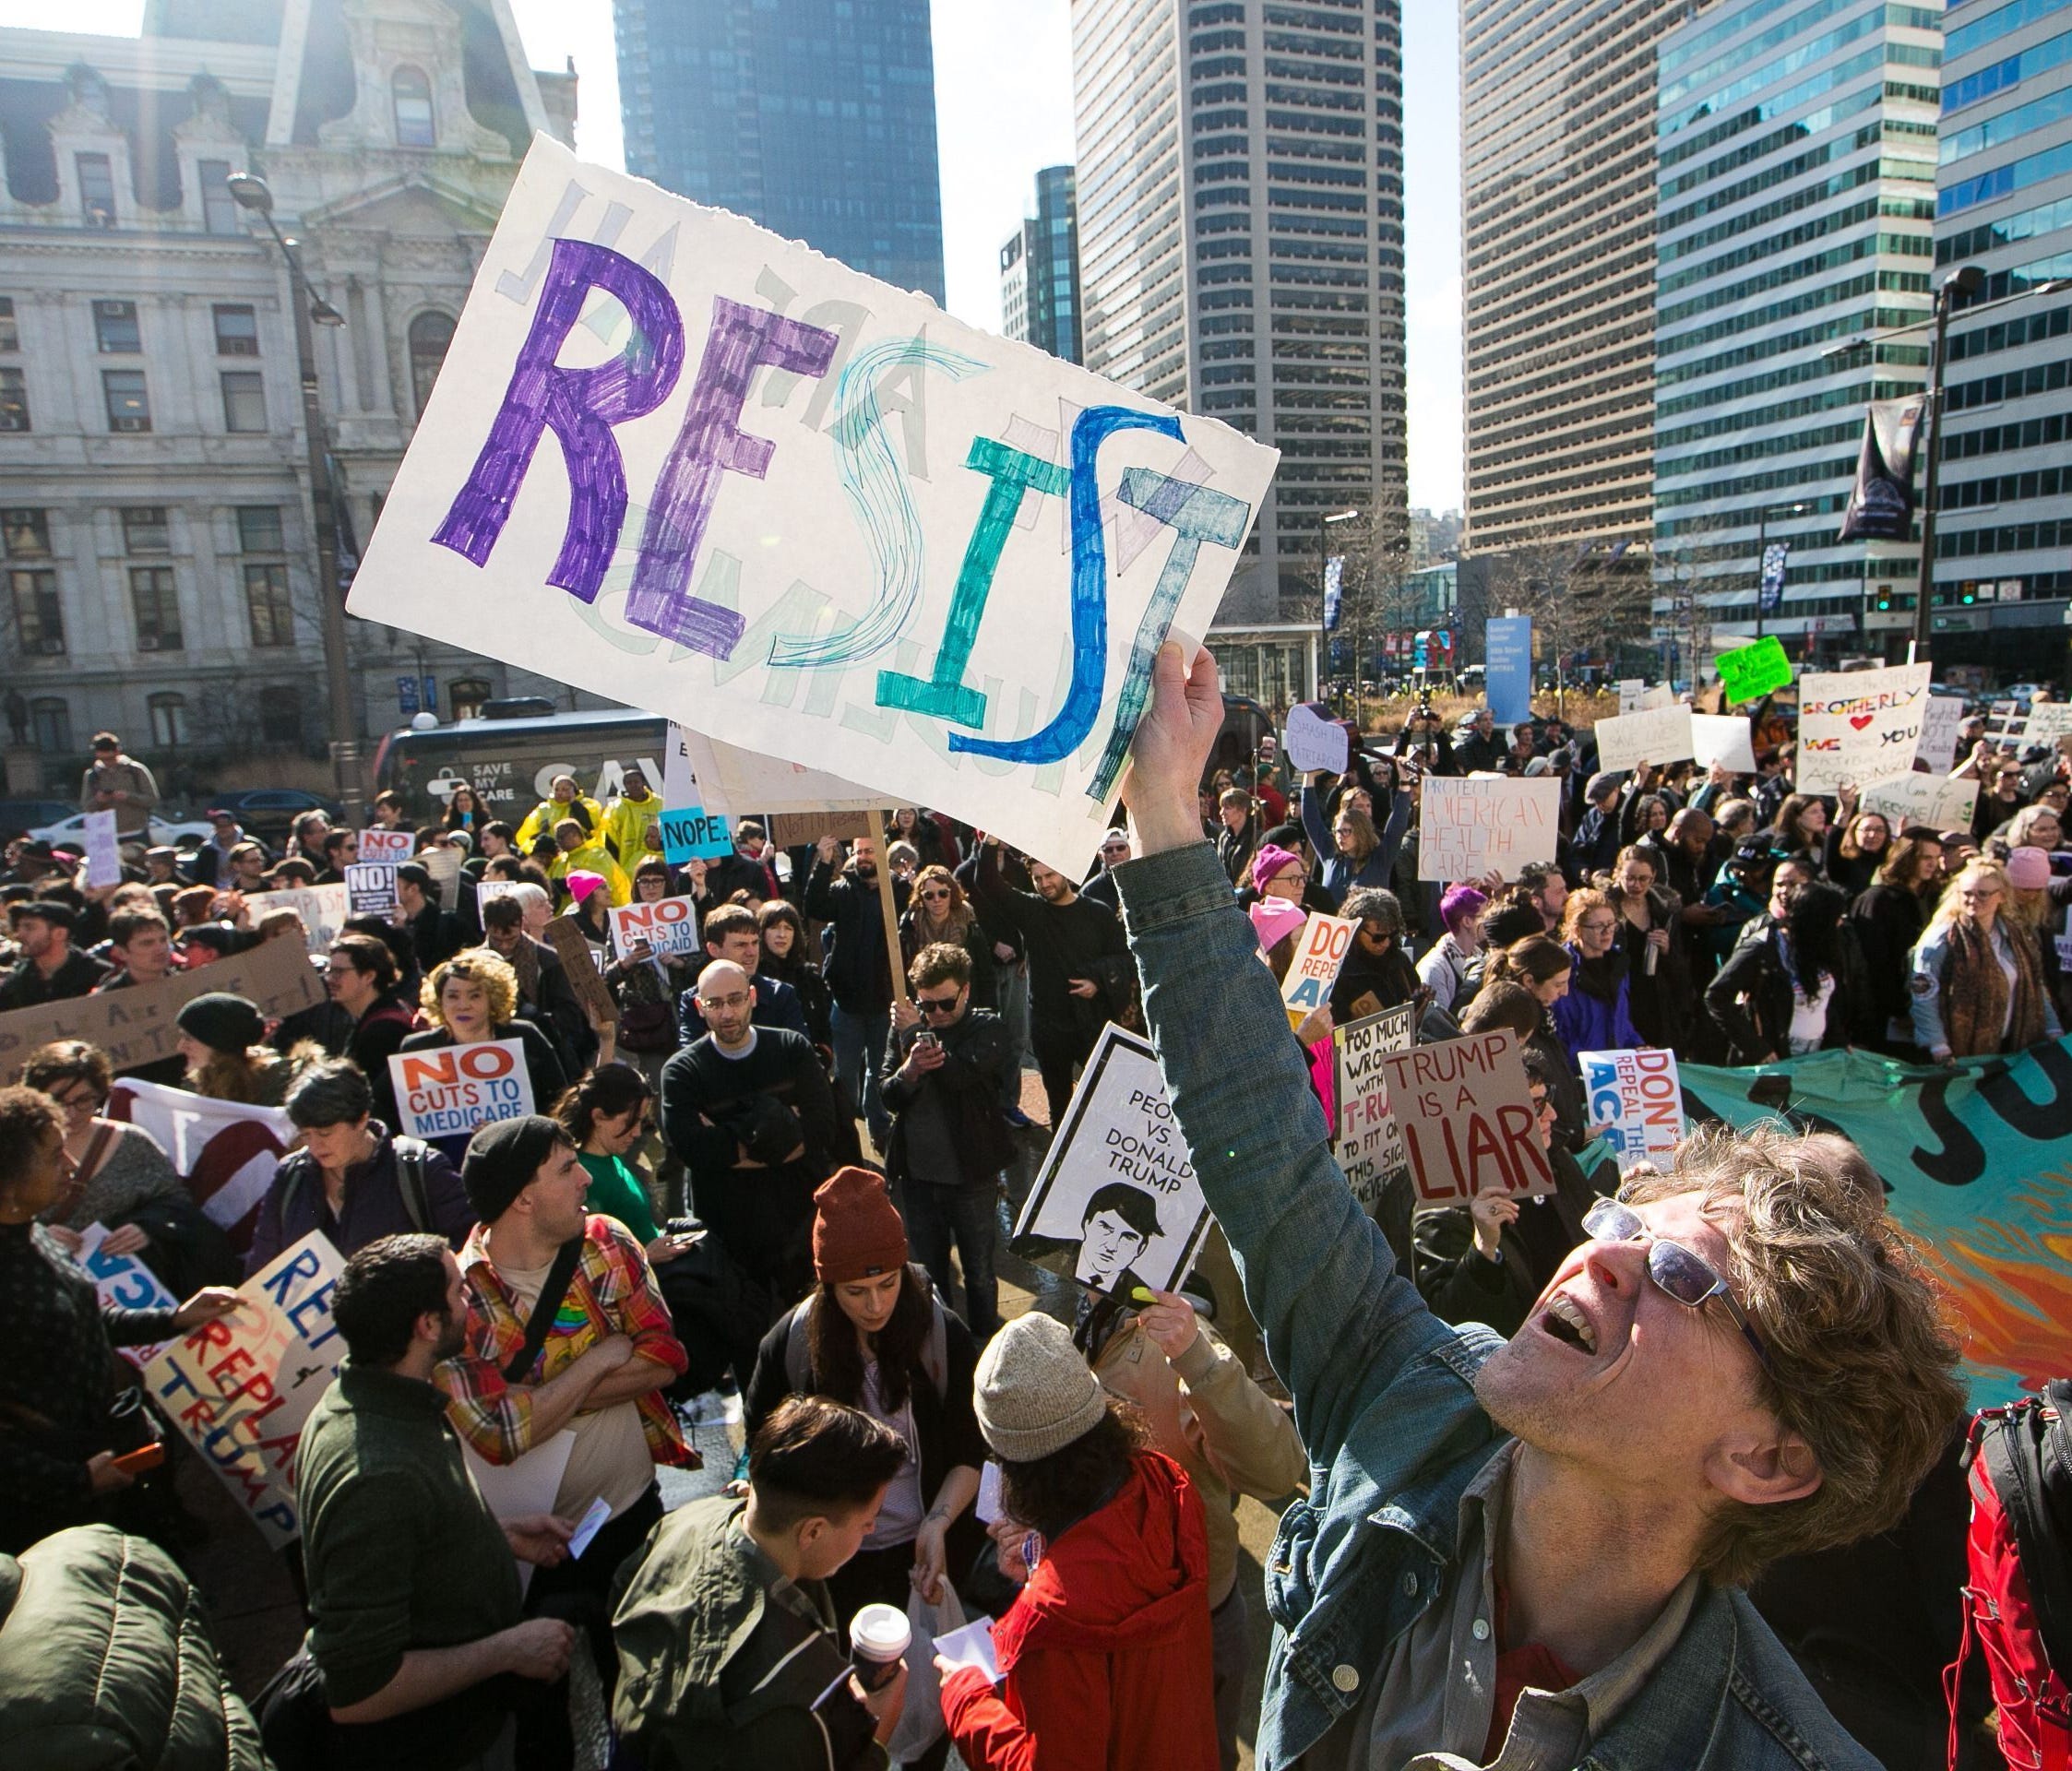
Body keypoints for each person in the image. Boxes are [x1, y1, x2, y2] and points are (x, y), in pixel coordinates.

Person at [1108, 638, 1969, 1770]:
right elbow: (1261, 1142)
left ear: (1764, 1462)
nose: (1598, 1256)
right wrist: (1165, 817)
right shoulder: (1409, 1406)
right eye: (1623, 1225)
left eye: (1679, 1277)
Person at [439, 1115, 694, 1769]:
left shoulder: (608, 1244)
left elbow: (664, 1360)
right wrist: (597, 1360)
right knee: (539, 1722)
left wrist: (539, 1401)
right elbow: (496, 1437)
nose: (587, 1176)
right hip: (526, 1547)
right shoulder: (457, 1295)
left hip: (629, 1515)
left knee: (644, 1695)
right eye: (565, 1168)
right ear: (522, 1197)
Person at [292, 1234, 579, 1767]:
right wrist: (509, 1650)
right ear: (426, 1325)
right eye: (456, 1292)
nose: (469, 1299)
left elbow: (410, 1538)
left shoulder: (369, 1398)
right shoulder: (376, 1476)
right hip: (444, 1745)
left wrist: (495, 1535)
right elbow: (359, 1692)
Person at [941, 1312, 1218, 1771]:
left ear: (1015, 1471)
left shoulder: (1051, 1616)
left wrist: (964, 1696)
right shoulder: (1167, 1487)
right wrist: (1045, 1563)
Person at [745, 1171, 986, 1661]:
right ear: (827, 1285)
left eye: (888, 1283)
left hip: (929, 1550)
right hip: (835, 1563)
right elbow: (763, 1453)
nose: (875, 1305)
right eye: (856, 1291)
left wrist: (937, 1524)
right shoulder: (789, 1347)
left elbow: (971, 1449)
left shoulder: (942, 1336)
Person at [0, 1085, 241, 1554]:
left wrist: (175, 1317)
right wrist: (75, 1480)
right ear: (7, 1184)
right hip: (52, 1522)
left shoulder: (34, 1234)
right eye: (53, 1158)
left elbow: (86, 1321)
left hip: (108, 1470)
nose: (71, 1167)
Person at [610, 1396, 911, 1770]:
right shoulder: (790, 1701)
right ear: (813, 1531)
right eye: (867, 1521)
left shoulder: (684, 1522)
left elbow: (624, 1586)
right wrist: (878, 1734)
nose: (872, 1529)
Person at [1076, 1281, 1305, 1770]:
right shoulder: (1088, 1324)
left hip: (1195, 1618)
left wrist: (1195, 1358)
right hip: (1118, 1617)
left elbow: (1279, 1468)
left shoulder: (1175, 1340)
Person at [661, 959, 844, 1309]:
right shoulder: (682, 1071)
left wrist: (729, 1141)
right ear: (699, 1007)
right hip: (730, 1231)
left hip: (801, 1221)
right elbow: (694, 1149)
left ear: (753, 997)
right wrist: (785, 1133)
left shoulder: (791, 1049)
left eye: (736, 999)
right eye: (715, 1004)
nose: (727, 1012)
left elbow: (822, 1128)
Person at [1413, 1052, 1614, 1336]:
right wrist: (1483, 1249)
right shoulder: (1446, 1205)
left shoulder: (1557, 1161)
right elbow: (1446, 1321)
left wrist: (1633, 1200)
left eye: (1547, 1100)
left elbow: (1593, 1239)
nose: (1552, 1115)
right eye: (1535, 1106)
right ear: (1491, 1118)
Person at [881, 942, 1016, 1338]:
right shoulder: (906, 1029)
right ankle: (940, 1347)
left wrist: (913, 1031)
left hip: (972, 1176)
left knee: (978, 1272)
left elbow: (958, 1076)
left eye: (945, 1004)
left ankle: (986, 1344)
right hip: (918, 1177)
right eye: (927, 1005)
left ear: (966, 991)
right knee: (929, 1277)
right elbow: (886, 1094)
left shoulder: (987, 1028)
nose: (936, 1014)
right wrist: (907, 1073)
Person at [246, 1058, 472, 1271]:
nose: (314, 1146)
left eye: (325, 1133)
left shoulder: (421, 1169)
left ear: (362, 1119)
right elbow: (263, 1270)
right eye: (305, 1135)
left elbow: (468, 1252)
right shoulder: (291, 1176)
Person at [398, 949, 569, 1160]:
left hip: (521, 1160)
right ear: (439, 1001)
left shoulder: (525, 1037)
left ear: (493, 999)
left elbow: (560, 1101)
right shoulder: (418, 1049)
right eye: (452, 996)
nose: (463, 1005)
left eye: (475, 995)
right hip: (445, 1170)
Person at [806, 832, 911, 1150]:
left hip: (884, 1001)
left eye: (870, 850)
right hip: (847, 1002)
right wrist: (823, 865)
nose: (864, 856)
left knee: (878, 1070)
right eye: (859, 851)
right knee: (846, 1072)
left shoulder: (900, 889)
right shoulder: (843, 889)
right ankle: (845, 1130)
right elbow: (814, 906)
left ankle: (879, 1127)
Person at [1911, 855, 2064, 1062]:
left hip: (2010, 1045)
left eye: (1983, 894)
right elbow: (1923, 996)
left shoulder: (2014, 936)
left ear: (2001, 896)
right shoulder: (1941, 939)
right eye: (1966, 893)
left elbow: (2033, 986)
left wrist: (2053, 1029)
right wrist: (1938, 1046)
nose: (1973, 900)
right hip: (1955, 1053)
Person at [677, 901, 812, 1045]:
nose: (751, 952)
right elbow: (689, 1058)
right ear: (714, 949)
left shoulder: (781, 995)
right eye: (740, 945)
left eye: (755, 943)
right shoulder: (693, 1000)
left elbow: (801, 1055)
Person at [323, 933, 418, 1123]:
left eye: (339, 972)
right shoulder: (391, 1010)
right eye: (329, 971)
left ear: (368, 976)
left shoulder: (384, 1031)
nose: (329, 979)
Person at [1301, 767, 1412, 909]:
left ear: (1360, 832)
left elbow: (1397, 824)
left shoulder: (1380, 857)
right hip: (1336, 930)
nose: (1340, 836)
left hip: (1370, 930)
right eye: (1337, 831)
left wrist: (1404, 782)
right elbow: (1311, 820)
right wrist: (1309, 778)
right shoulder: (1329, 853)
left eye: (1346, 831)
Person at [1553, 887, 1641, 1059]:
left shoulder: (1619, 964)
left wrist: (1638, 1046)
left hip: (1618, 1065)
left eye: (1611, 923)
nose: (1607, 932)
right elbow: (1560, 1033)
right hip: (1582, 1070)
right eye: (1599, 926)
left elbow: (1622, 1022)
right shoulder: (1561, 970)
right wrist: (1586, 1062)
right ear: (1577, 930)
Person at [173, 992, 304, 1106]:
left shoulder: (284, 1088)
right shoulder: (197, 1088)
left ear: (219, 1042)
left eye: (188, 1038)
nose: (180, 1047)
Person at [899, 863, 997, 1007]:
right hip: (927, 1005)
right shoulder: (911, 927)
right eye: (929, 895)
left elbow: (985, 975)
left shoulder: (968, 923)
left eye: (943, 893)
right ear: (921, 898)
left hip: (964, 1003)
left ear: (952, 894)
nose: (937, 900)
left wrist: (988, 1011)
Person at [1330, 886, 1421, 1021]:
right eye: (1378, 937)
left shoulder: (1399, 961)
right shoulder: (1338, 974)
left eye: (1392, 935)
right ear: (1356, 931)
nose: (1386, 943)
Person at [0, 898, 108, 1007]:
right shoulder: (16, 984)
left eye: (29, 927)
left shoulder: (98, 975)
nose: (18, 935)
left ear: (59, 934)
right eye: (19, 927)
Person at [757, 898, 834, 1046]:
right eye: (774, 927)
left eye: (788, 928)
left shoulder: (809, 977)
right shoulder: (756, 977)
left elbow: (823, 1026)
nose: (782, 934)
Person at [1417, 884, 1487, 1016]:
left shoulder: (1479, 956)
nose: (1489, 922)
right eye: (1484, 917)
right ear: (1467, 921)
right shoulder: (1435, 969)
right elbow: (1443, 1025)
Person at [79, 731, 159, 846]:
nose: (107, 763)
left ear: (117, 751)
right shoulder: (92, 775)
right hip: (106, 835)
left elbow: (152, 800)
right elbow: (86, 806)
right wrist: (98, 800)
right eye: (104, 760)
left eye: (110, 759)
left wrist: (128, 797)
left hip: (136, 832)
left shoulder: (136, 770)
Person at [515, 775, 603, 854]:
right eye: (556, 789)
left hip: (582, 853)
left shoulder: (588, 804)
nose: (560, 793)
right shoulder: (543, 809)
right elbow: (525, 836)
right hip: (553, 857)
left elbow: (592, 826)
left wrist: (574, 803)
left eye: (565, 789)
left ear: (574, 790)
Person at [602, 767, 661, 863]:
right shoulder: (616, 807)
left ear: (643, 783)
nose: (633, 785)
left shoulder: (659, 803)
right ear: (625, 786)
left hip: (657, 860)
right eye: (629, 783)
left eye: (636, 782)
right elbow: (611, 839)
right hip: (627, 864)